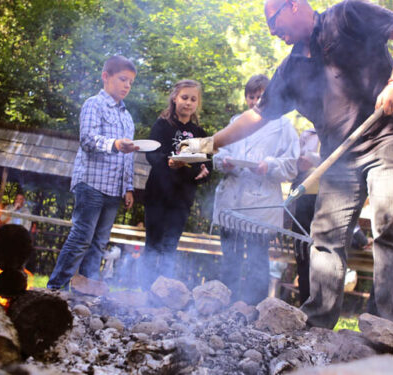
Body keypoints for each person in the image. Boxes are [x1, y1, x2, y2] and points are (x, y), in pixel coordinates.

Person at [181, 0, 393, 329]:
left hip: (389, 135)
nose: (272, 31)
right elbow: (256, 116)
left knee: (390, 226)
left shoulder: (347, 15)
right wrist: (207, 145)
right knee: (326, 234)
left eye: (274, 20)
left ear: (294, 5)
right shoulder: (290, 69)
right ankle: (318, 322)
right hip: (340, 154)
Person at [47, 55, 138, 290]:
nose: (127, 85)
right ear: (106, 77)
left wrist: (128, 187)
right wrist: (114, 144)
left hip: (114, 189)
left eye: (130, 82)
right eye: (122, 79)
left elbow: (129, 156)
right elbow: (87, 139)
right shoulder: (93, 104)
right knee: (81, 239)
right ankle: (56, 287)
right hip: (91, 183)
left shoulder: (127, 117)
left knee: (99, 243)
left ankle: (84, 292)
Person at [212, 74, 299, 304]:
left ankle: (253, 309)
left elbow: (291, 167)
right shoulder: (236, 122)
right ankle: (225, 306)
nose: (256, 101)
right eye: (251, 97)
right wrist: (225, 162)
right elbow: (217, 155)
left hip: (262, 207)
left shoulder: (284, 127)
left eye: (261, 96)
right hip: (231, 203)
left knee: (257, 263)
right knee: (230, 259)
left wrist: (268, 166)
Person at [142, 79, 211, 289]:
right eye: (184, 98)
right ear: (175, 98)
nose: (188, 103)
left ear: (197, 103)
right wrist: (168, 162)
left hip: (182, 199)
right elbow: (151, 153)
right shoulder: (162, 125)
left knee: (170, 244)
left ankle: (163, 289)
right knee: (153, 242)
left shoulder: (200, 132)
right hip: (158, 194)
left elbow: (207, 163)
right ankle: (145, 286)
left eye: (193, 99)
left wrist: (205, 172)